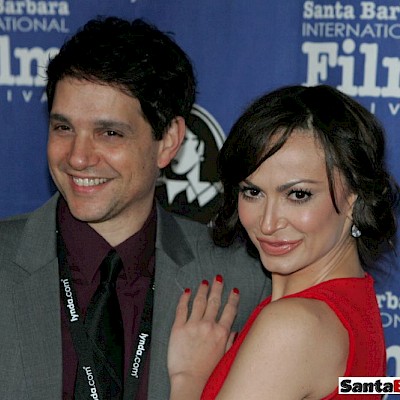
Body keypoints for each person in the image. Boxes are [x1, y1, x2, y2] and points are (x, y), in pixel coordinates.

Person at [0, 17, 270, 400]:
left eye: (109, 133)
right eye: (64, 128)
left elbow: (366, 385)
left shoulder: (241, 281)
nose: (78, 157)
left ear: (168, 141)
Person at [167, 84, 399, 399]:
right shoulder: (352, 305)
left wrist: (188, 379)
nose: (267, 222)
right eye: (252, 192)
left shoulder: (293, 327)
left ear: (354, 200)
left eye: (298, 195)